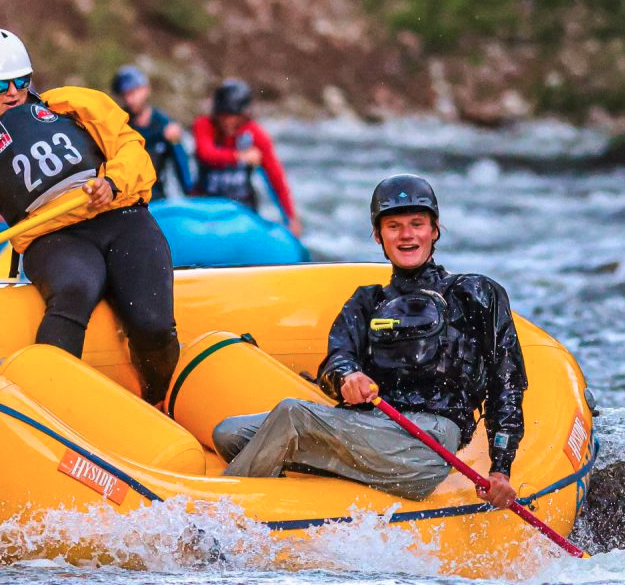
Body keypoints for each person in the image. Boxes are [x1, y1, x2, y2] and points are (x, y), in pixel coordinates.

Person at [0, 28, 179, 404]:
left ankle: (158, 400)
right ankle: (49, 408)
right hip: (54, 240)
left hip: (122, 217)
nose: (12, 92)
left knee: (153, 324)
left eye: (20, 81)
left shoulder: (72, 105)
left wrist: (113, 182)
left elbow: (129, 146)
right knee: (75, 288)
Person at [212, 174, 527, 507]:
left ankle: (217, 520)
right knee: (229, 433)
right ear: (379, 236)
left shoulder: (475, 293)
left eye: (417, 224)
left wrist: (501, 469)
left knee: (292, 415)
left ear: (434, 230)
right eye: (393, 227)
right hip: (366, 426)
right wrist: (349, 377)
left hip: (429, 442)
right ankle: (284, 508)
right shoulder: (367, 302)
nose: (406, 235)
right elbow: (337, 362)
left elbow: (506, 382)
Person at [192, 79, 302, 236]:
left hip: (241, 209)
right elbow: (206, 154)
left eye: (232, 115)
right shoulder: (203, 125)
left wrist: (290, 217)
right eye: (223, 115)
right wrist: (239, 156)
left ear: (243, 115)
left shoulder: (256, 135)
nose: (227, 120)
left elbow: (275, 178)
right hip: (205, 206)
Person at [110, 65, 192, 200]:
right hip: (127, 197)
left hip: (157, 196)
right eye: (124, 95)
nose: (129, 100)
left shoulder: (164, 124)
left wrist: (189, 191)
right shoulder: (120, 123)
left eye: (132, 93)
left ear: (145, 89)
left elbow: (182, 167)